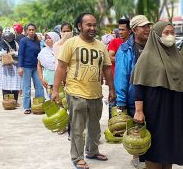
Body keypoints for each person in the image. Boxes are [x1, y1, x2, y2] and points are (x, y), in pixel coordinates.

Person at [52, 13, 116, 169]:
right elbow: (61, 67)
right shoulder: (71, 43)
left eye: (94, 25)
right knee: (77, 128)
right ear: (79, 26)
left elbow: (107, 68)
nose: (92, 28)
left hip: (95, 93)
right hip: (75, 92)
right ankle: (77, 157)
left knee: (94, 128)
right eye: (88, 25)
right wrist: (55, 89)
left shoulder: (101, 45)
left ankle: (92, 151)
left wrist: (112, 89)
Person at [133, 21, 183, 169]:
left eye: (172, 33)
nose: (170, 36)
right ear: (156, 35)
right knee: (155, 146)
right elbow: (139, 85)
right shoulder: (147, 56)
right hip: (155, 108)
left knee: (170, 145)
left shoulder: (177, 55)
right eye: (166, 33)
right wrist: (139, 110)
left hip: (174, 106)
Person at [114, 15, 152, 168]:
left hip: (153, 96)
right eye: (144, 27)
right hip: (133, 97)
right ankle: (137, 159)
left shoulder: (153, 46)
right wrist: (121, 101)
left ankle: (149, 159)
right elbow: (122, 76)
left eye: (148, 26)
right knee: (137, 129)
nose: (147, 29)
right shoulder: (125, 49)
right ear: (134, 29)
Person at [0, 27, 22, 106]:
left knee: (15, 84)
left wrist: (14, 53)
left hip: (15, 65)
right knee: (5, 84)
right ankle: (7, 101)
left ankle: (15, 101)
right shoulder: (1, 43)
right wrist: (3, 53)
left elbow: (21, 52)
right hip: (5, 67)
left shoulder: (16, 43)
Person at [18, 23, 44, 114]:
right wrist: (20, 67)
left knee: (39, 86)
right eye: (30, 30)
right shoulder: (23, 40)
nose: (32, 31)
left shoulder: (37, 41)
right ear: (26, 31)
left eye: (33, 30)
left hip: (36, 67)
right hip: (26, 67)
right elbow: (20, 54)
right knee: (27, 87)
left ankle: (40, 105)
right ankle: (27, 107)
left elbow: (39, 54)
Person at [37, 32, 60, 99]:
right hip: (48, 79)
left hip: (60, 79)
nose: (47, 40)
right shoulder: (43, 51)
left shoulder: (61, 50)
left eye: (49, 38)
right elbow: (39, 65)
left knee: (61, 99)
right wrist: (41, 79)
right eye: (46, 38)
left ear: (55, 38)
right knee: (51, 99)